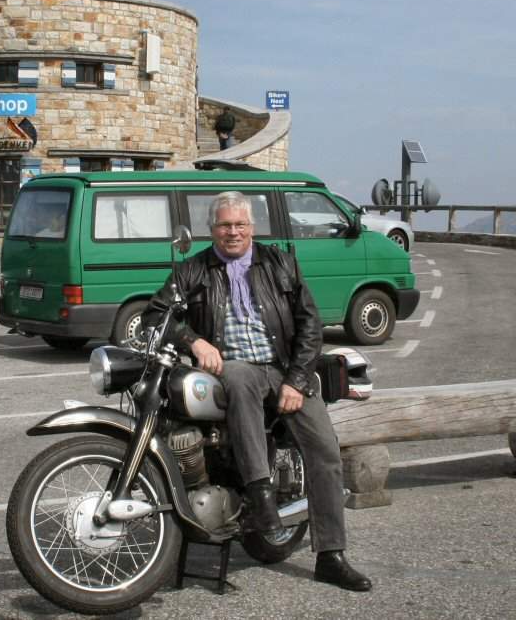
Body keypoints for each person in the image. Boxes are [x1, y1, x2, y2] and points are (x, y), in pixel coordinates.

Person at [143, 191, 372, 592]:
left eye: (240, 225)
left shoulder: (280, 264)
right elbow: (156, 313)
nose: (233, 232)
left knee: (325, 451)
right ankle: (260, 493)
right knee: (239, 378)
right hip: (233, 369)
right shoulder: (193, 269)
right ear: (211, 229)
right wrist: (194, 341)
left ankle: (331, 556)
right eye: (225, 225)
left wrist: (297, 381)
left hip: (283, 370)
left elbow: (310, 326)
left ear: (252, 227)